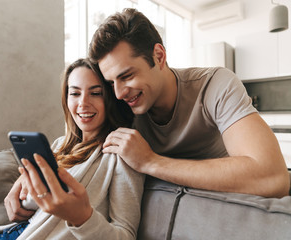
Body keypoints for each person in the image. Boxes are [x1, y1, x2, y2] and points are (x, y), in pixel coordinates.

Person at [88, 8, 290, 198]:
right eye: (111, 82)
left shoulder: (214, 85)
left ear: (158, 56)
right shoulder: (120, 106)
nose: (119, 93)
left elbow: (273, 178)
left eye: (127, 75)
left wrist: (150, 162)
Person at [0, 58, 144, 239]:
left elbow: (126, 235)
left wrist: (82, 218)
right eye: (75, 93)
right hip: (16, 232)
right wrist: (24, 187)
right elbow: (37, 206)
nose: (83, 103)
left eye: (96, 93)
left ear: (111, 98)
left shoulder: (121, 153)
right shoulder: (59, 145)